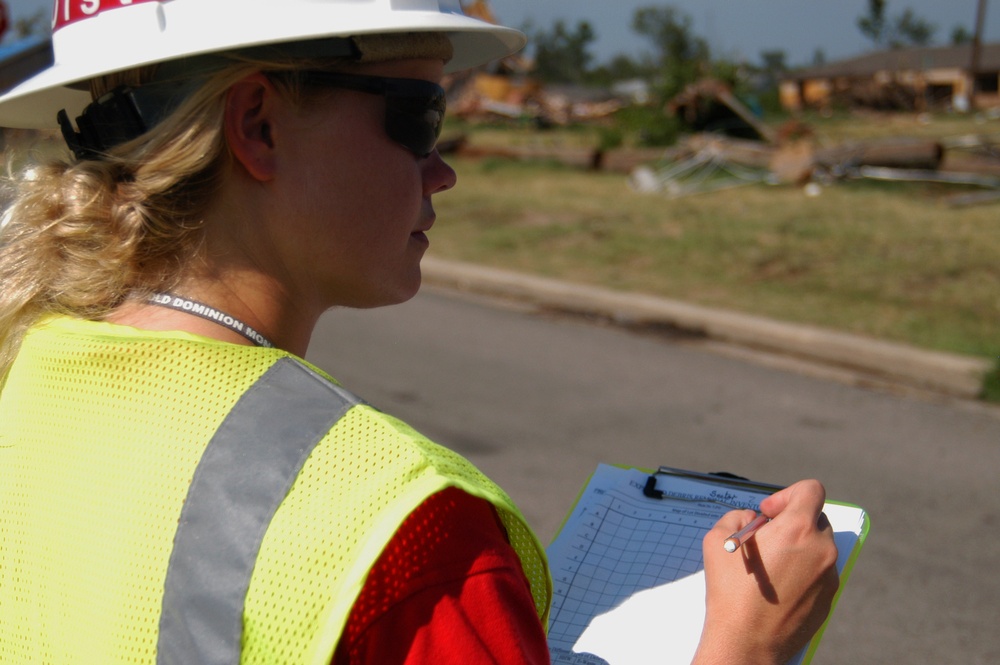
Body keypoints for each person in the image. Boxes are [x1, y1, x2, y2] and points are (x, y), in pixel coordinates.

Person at [0, 1, 839, 663]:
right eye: (421, 118)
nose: (444, 169)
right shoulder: (405, 534)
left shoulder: (30, 373)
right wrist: (746, 646)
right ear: (258, 125)